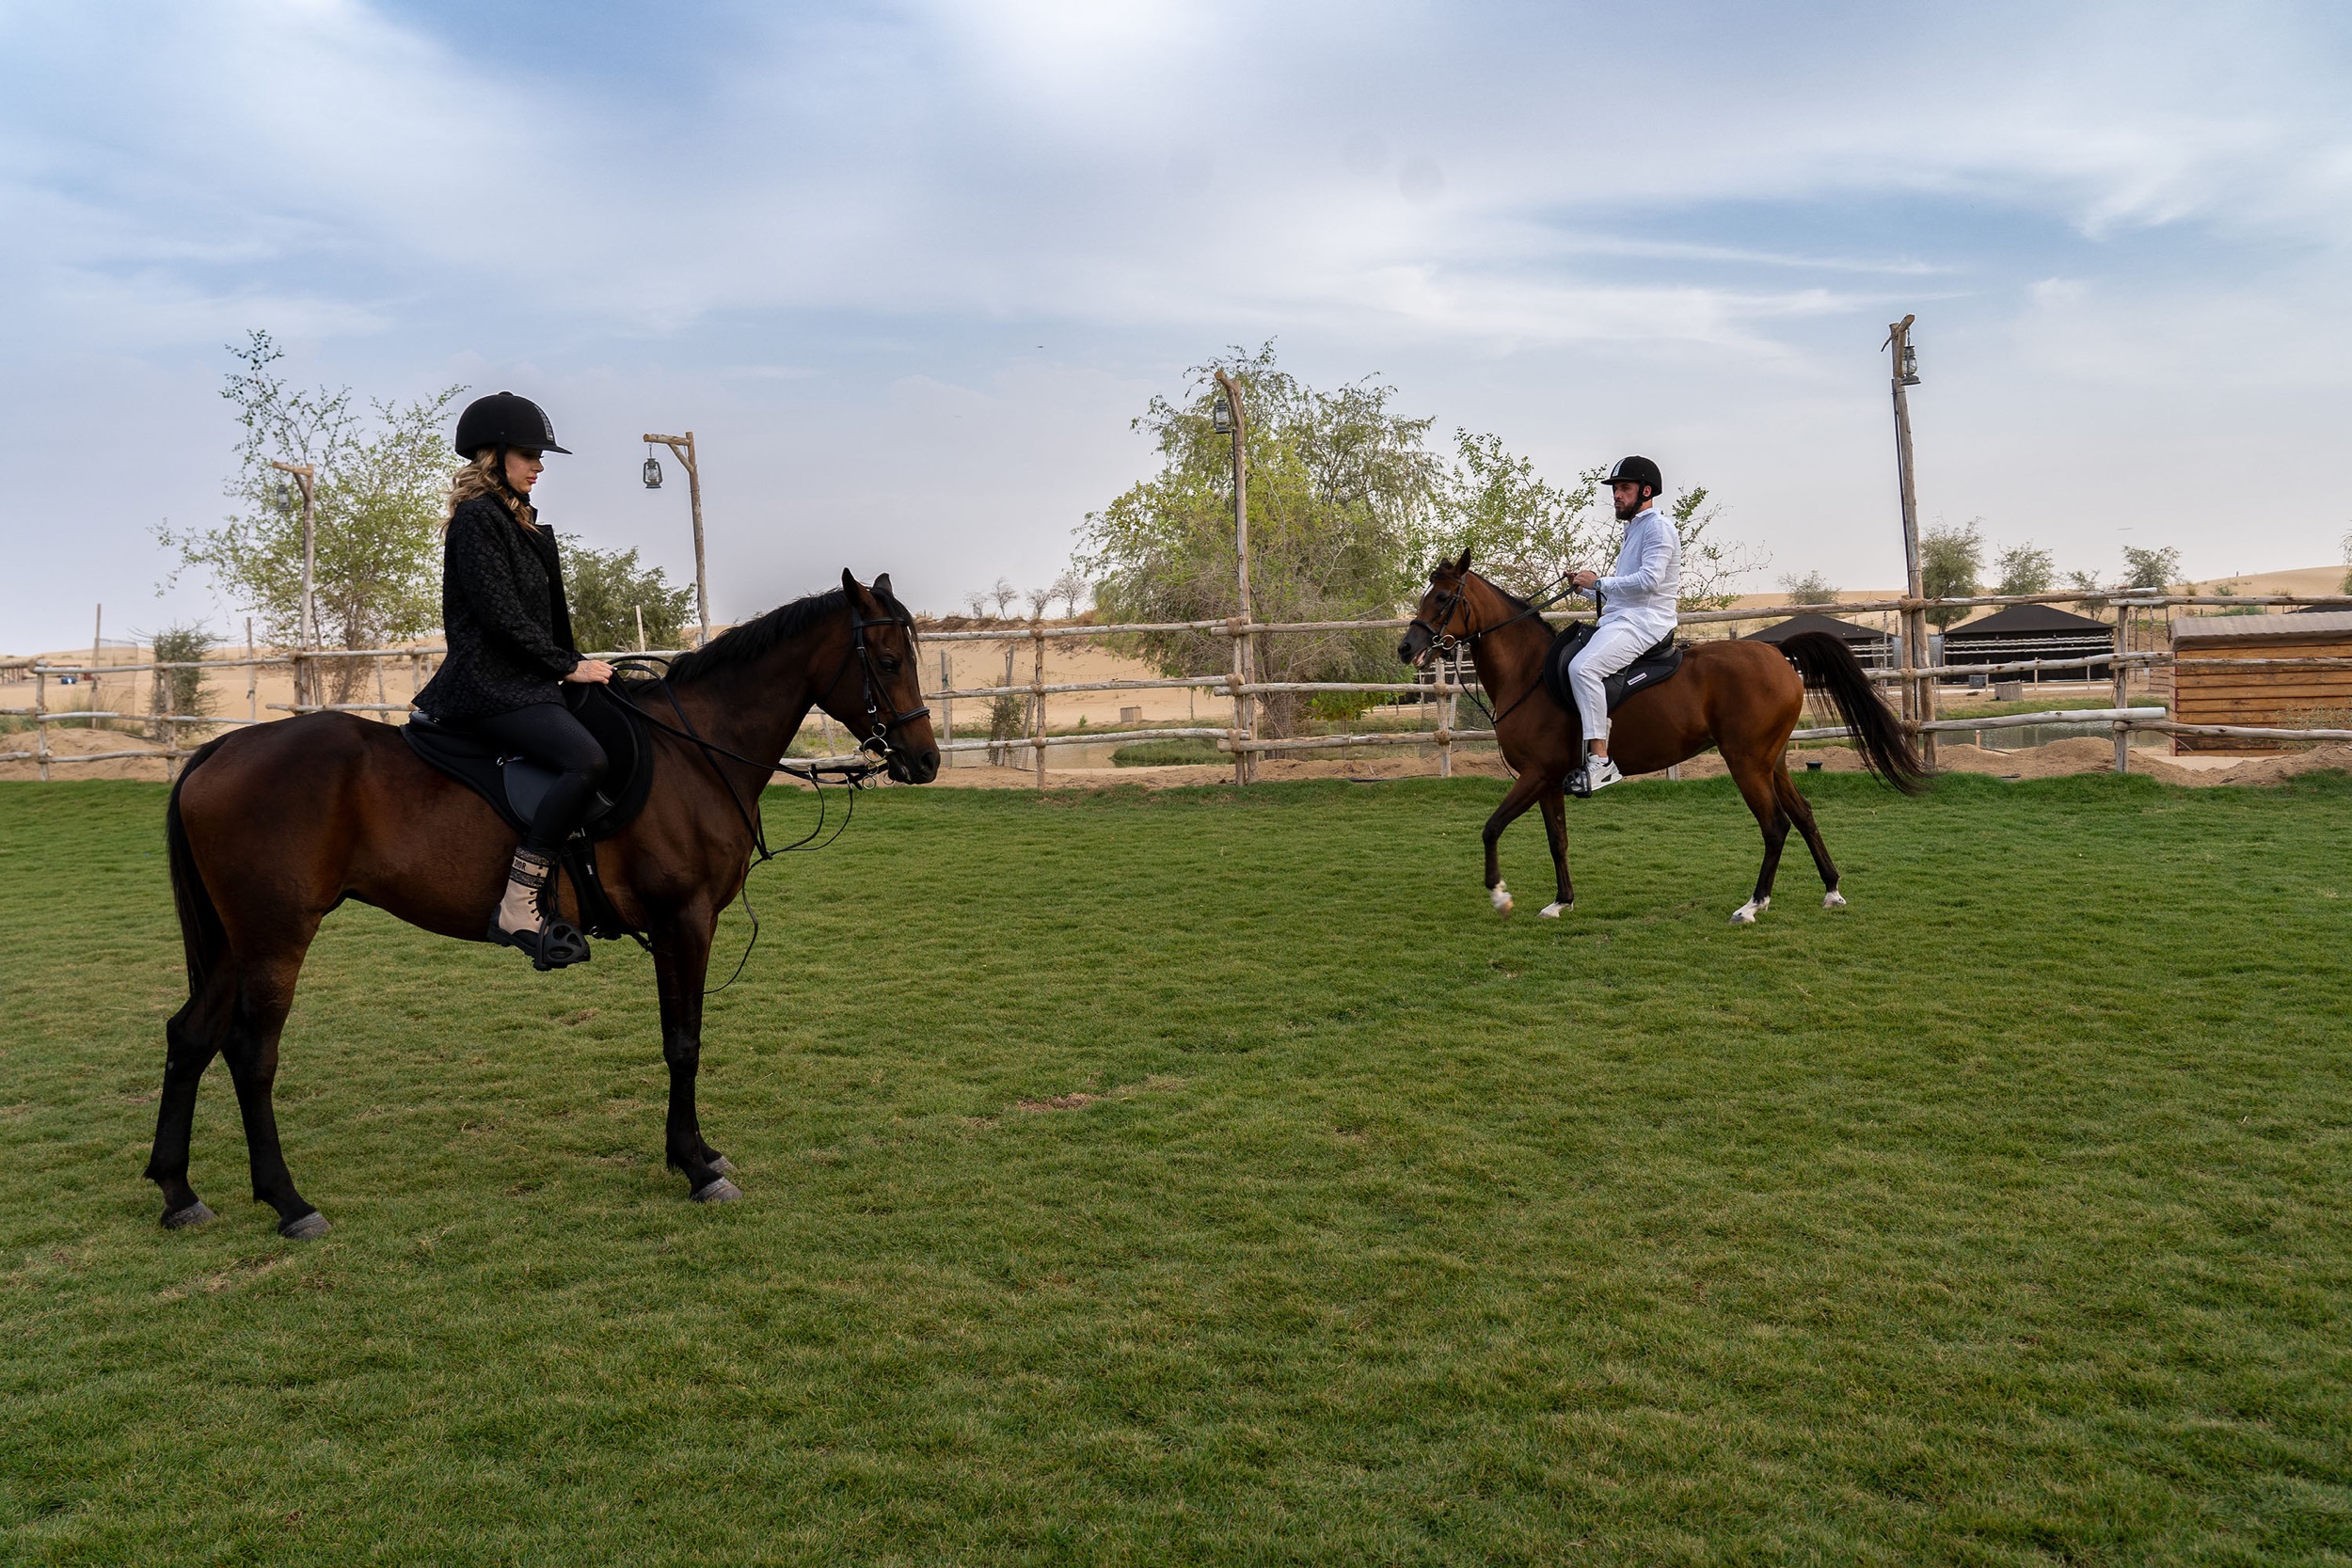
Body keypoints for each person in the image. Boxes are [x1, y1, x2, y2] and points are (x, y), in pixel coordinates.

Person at [413, 391, 614, 969]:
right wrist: (564, 665)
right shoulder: (478, 521)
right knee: (585, 761)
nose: (540, 465)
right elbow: (501, 617)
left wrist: (576, 664)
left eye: (539, 455)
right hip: (488, 683)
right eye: (529, 454)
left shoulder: (516, 522)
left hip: (527, 681)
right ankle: (521, 902)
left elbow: (545, 617)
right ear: (493, 456)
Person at [1565, 455, 1681, 797]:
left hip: (1645, 624)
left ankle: (1601, 763)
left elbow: (1648, 582)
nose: (1616, 494)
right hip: (1625, 618)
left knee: (1583, 668)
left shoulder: (1658, 528)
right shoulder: (1634, 530)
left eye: (1624, 488)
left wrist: (1599, 581)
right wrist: (1586, 588)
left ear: (1646, 491)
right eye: (1615, 488)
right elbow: (1621, 595)